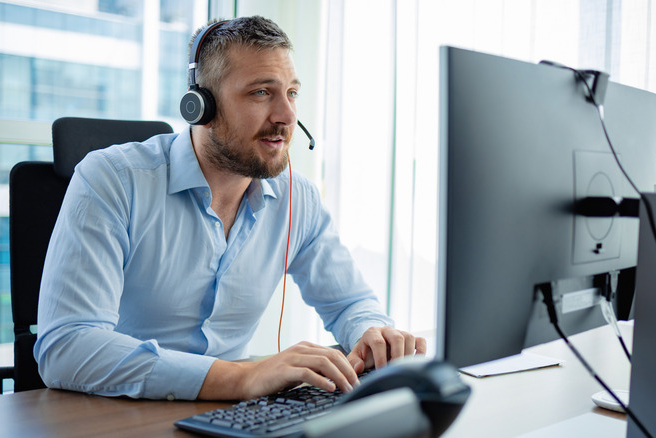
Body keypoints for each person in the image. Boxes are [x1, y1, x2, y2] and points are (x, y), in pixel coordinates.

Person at [35, 15, 426, 401]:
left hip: (232, 416)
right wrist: (239, 378)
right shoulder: (114, 179)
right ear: (200, 105)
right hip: (116, 417)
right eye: (261, 93)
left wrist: (371, 331)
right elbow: (67, 348)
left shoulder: (296, 199)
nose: (287, 116)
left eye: (291, 93)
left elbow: (350, 301)